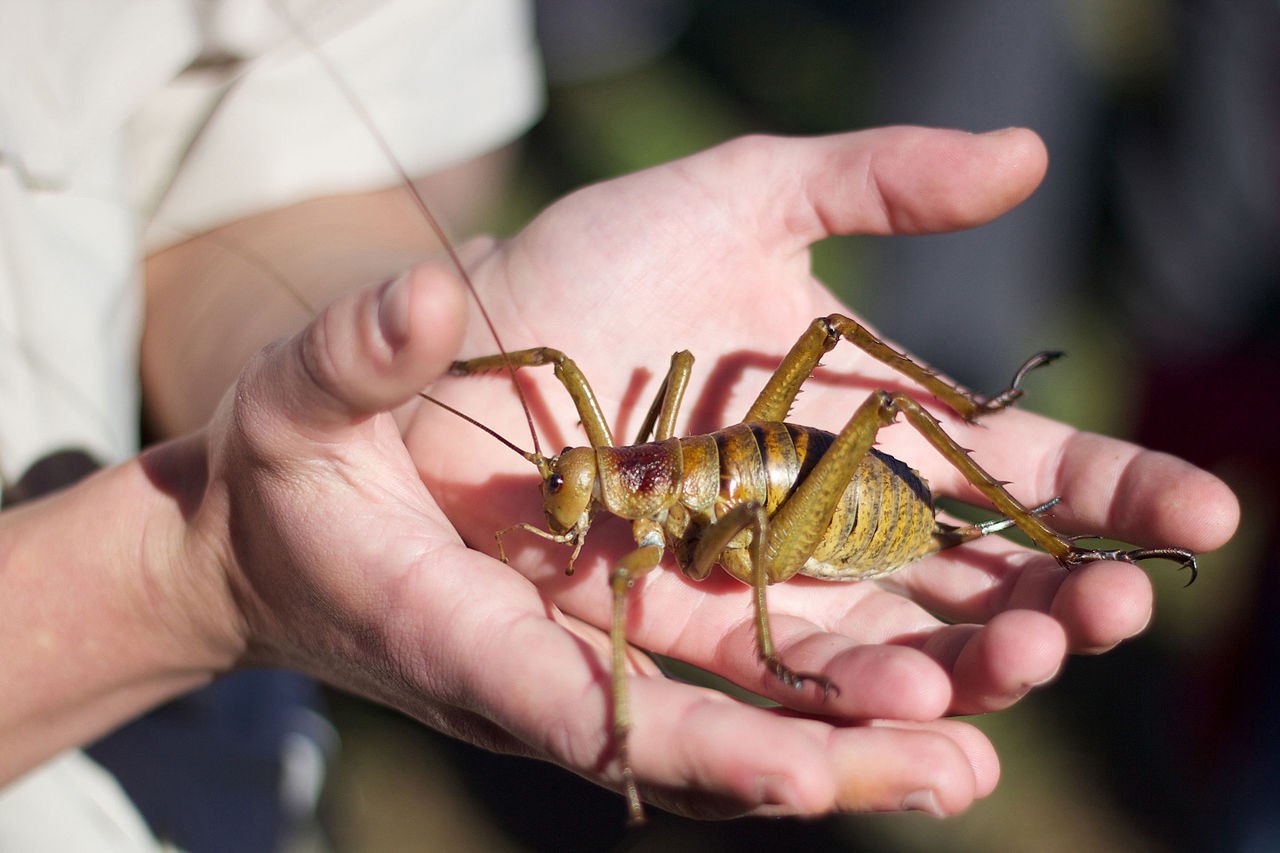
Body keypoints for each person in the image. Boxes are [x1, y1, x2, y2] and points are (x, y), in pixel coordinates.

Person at [0, 0, 1240, 848]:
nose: (566, 504)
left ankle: (1007, 467)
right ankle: (1017, 499)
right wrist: (195, 576)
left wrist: (418, 313)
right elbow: (555, 393)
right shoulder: (606, 478)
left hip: (813, 504)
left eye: (577, 480)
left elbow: (255, 175)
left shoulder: (639, 524)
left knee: (853, 415)